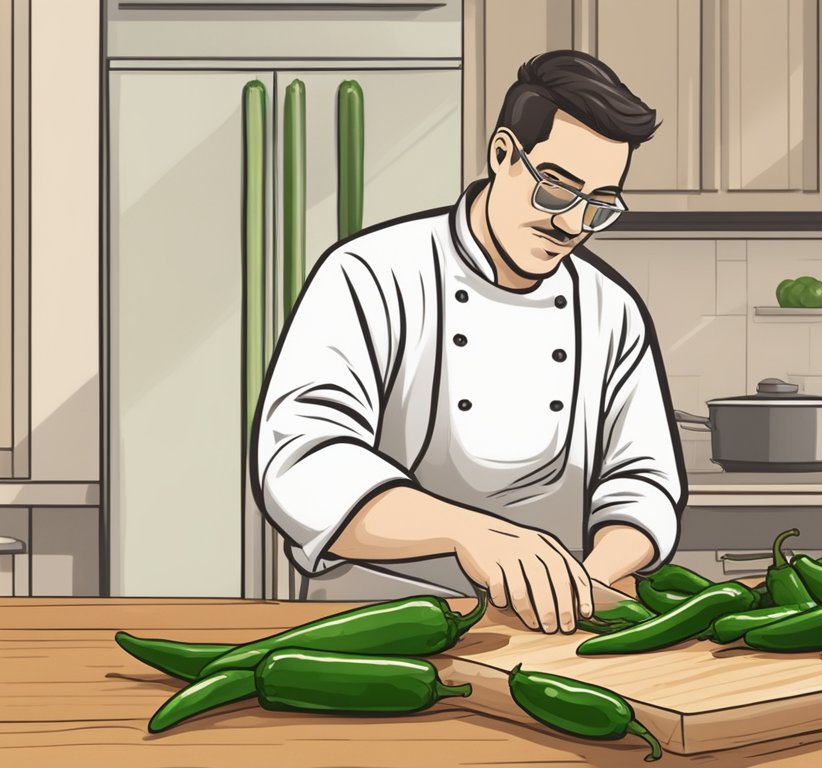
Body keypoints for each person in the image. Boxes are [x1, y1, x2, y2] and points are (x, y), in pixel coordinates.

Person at [251, 50, 686, 634]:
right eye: (556, 191)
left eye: (598, 206)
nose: (571, 225)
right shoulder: (371, 273)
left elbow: (644, 479)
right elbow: (304, 459)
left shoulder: (612, 310)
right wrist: (469, 532)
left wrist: (588, 578)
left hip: (558, 625)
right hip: (377, 621)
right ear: (503, 154)